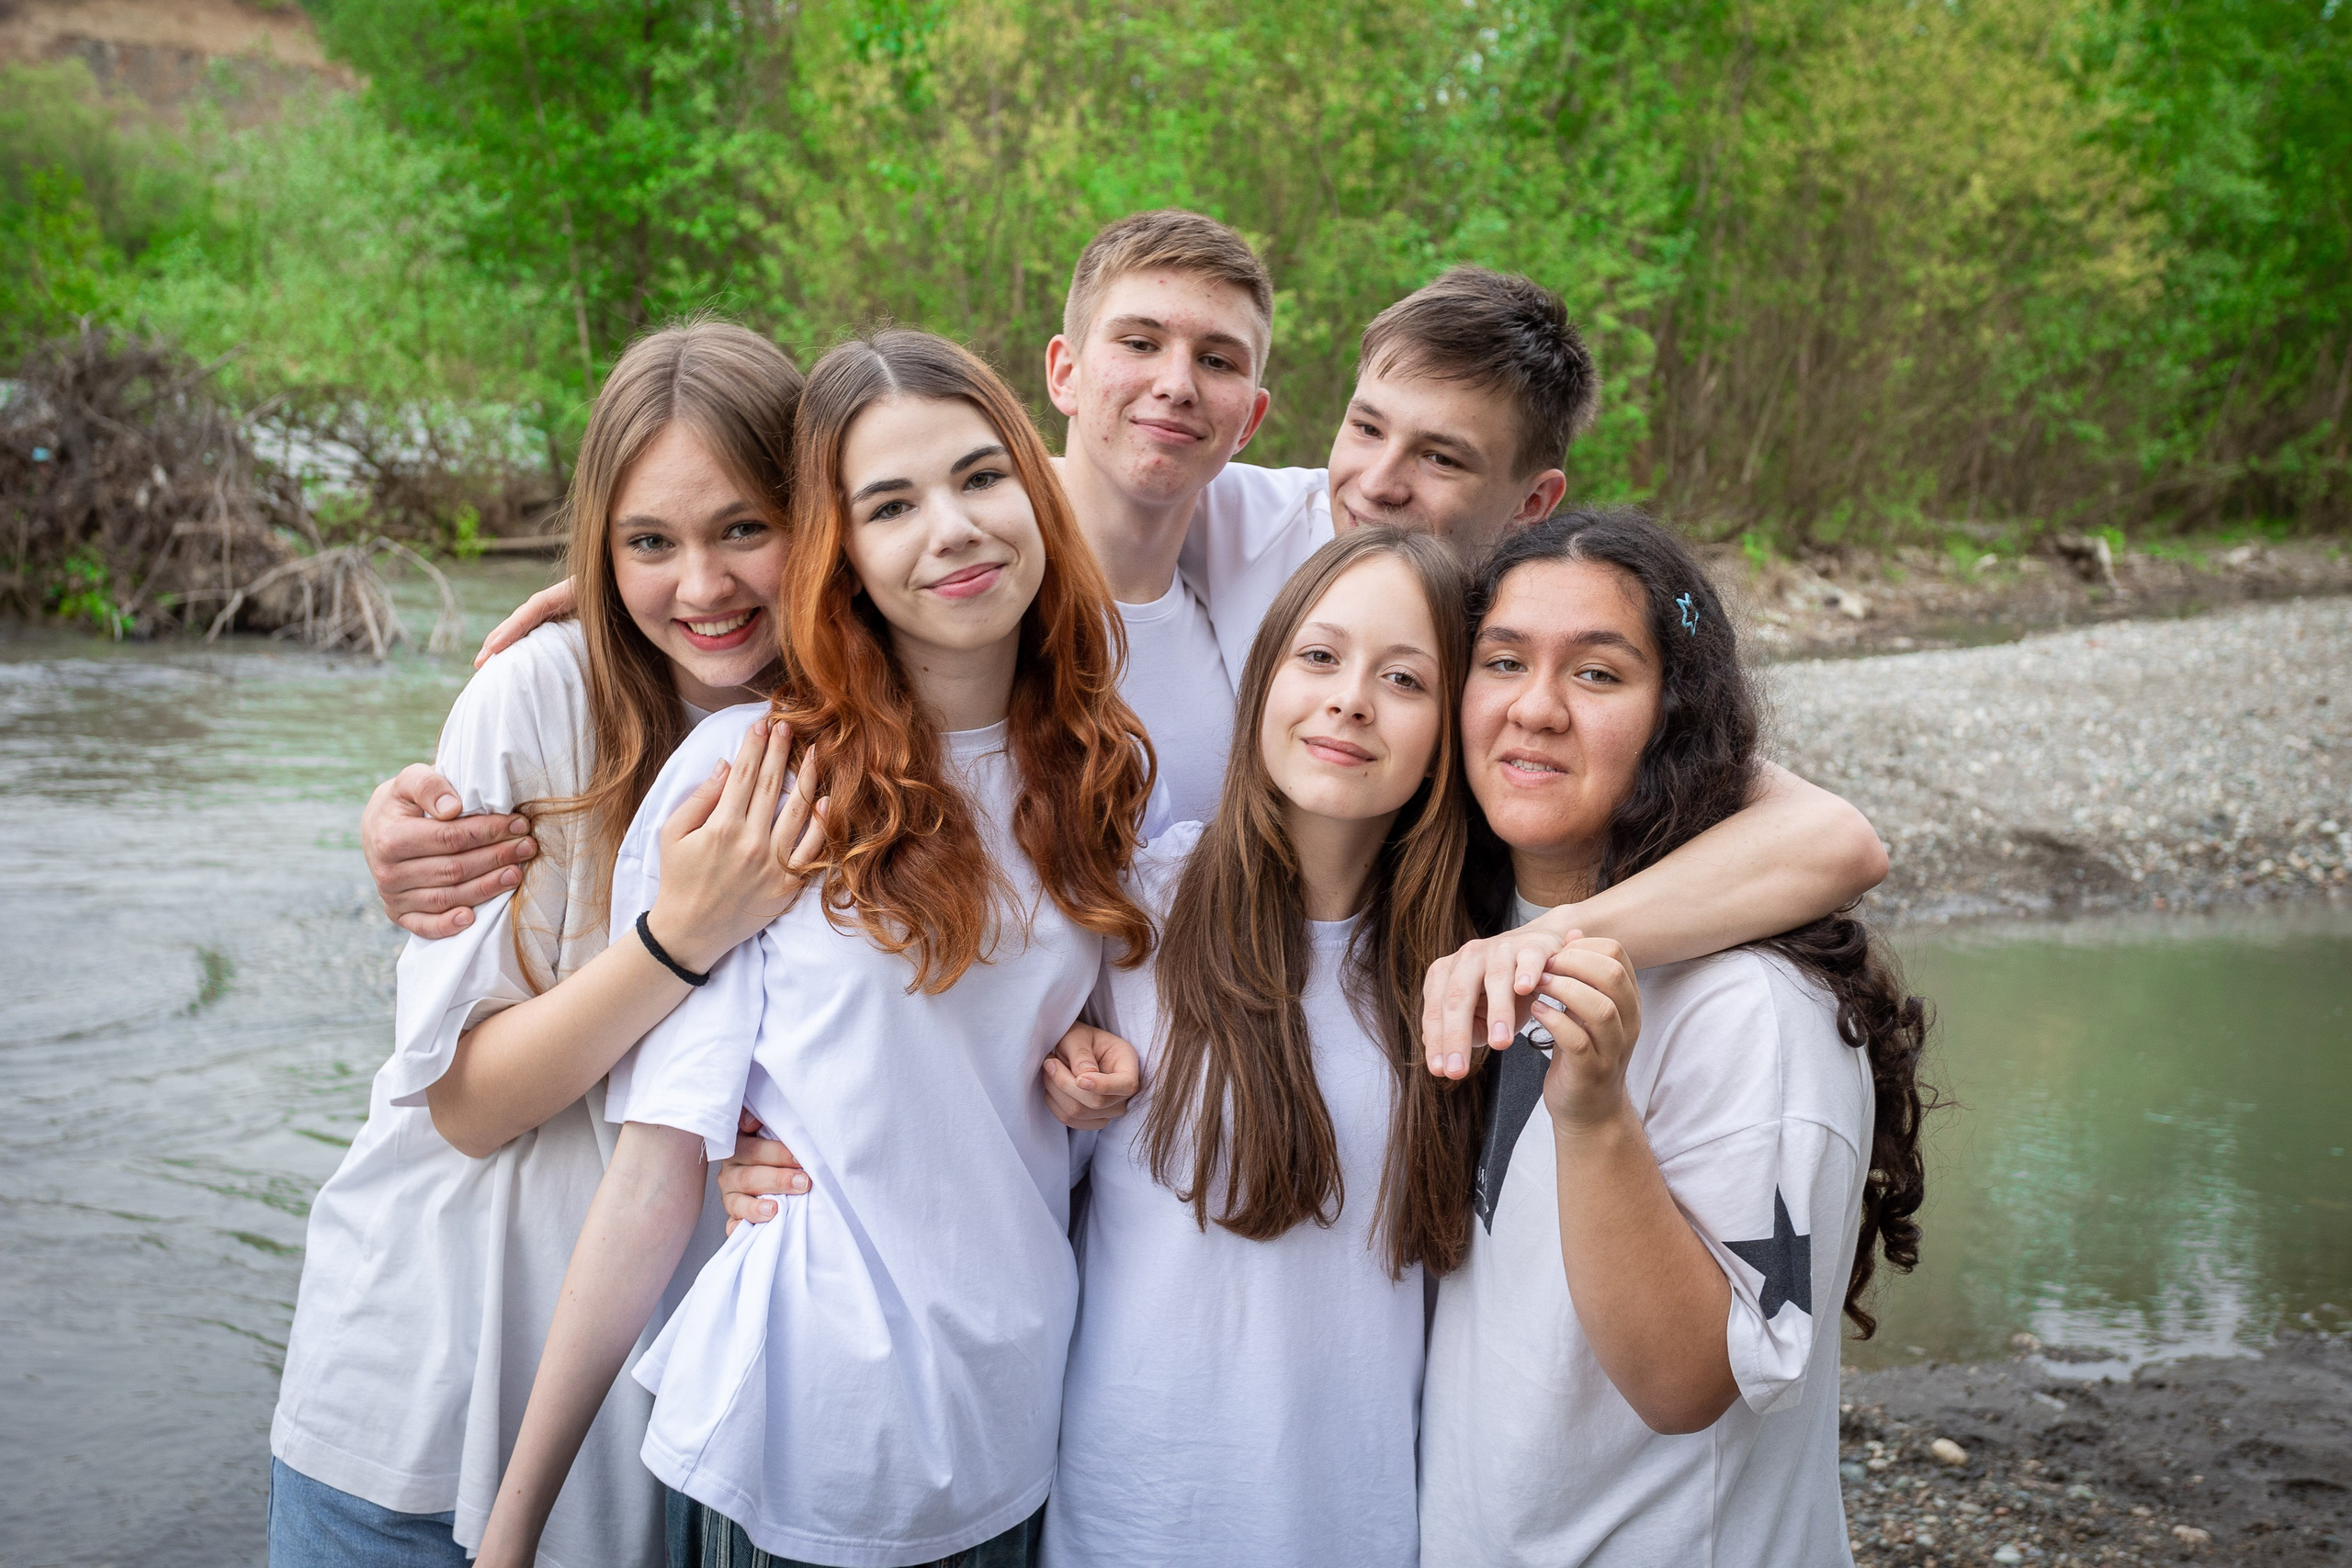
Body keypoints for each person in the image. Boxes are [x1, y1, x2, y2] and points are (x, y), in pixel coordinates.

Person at [371, 234, 1887, 1077]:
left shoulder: (1443, 604)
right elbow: (959, 485)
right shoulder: (1159, 527)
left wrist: (1544, 947)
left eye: (1438, 459)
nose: (1376, 482)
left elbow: (1830, 834)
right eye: (1365, 431)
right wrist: (674, 582)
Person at [472, 328, 1156, 1568]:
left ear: (1036, 488)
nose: (950, 528)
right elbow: (654, 1170)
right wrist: (510, 1532)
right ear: (841, 556)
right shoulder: (757, 779)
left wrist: (1095, 1061)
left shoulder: (1093, 761)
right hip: (803, 1447)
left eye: (980, 476)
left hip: (1018, 1420)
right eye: (890, 504)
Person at [266, 321, 829, 1568]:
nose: (701, 585)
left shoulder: (863, 719)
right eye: (648, 542)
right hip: (422, 1395)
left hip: (657, 1436)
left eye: (745, 526)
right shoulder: (537, 696)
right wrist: (678, 937)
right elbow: (466, 1100)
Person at [1415, 508, 1934, 1566]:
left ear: (1674, 717)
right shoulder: (1464, 931)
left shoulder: (1750, 1010)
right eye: (1502, 660)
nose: (1536, 709)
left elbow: (1685, 1382)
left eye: (1599, 675)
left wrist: (1597, 1117)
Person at [1045, 529, 1477, 1568]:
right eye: (1318, 658)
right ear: (1265, 679)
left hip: (1358, 1525)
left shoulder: (1471, 963)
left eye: (1404, 678)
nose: (1350, 700)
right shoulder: (1132, 914)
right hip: (1132, 1521)